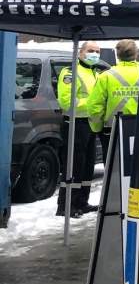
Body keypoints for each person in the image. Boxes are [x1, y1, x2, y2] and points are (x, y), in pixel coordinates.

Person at [56, 40, 109, 216]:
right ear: (81, 52)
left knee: (87, 167)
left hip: (91, 124)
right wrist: (94, 104)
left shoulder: (95, 72)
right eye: (90, 50)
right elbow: (66, 102)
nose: (94, 54)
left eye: (97, 51)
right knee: (74, 166)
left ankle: (82, 202)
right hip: (75, 124)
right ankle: (66, 205)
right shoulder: (70, 72)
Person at [86, 39, 139, 168]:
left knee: (113, 169)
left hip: (111, 130)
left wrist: (97, 128)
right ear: (136, 54)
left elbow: (94, 106)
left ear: (117, 55)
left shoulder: (106, 76)